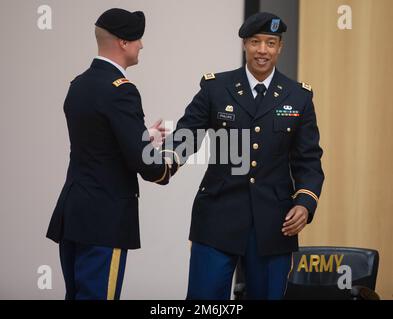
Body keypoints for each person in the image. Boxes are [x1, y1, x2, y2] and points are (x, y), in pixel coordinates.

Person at [167, 12, 324, 299]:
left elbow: (308, 160)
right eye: (255, 42)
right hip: (217, 216)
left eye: (270, 43)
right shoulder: (216, 88)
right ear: (244, 45)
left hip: (275, 223)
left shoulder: (298, 96)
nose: (262, 50)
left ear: (280, 48)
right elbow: (187, 134)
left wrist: (304, 203)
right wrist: (165, 160)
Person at [46, 8, 177, 300]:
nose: (141, 45)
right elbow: (145, 163)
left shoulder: (79, 85)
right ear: (123, 42)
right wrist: (168, 162)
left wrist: (143, 139)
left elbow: (100, 143)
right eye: (137, 39)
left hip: (75, 212)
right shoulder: (121, 90)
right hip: (104, 219)